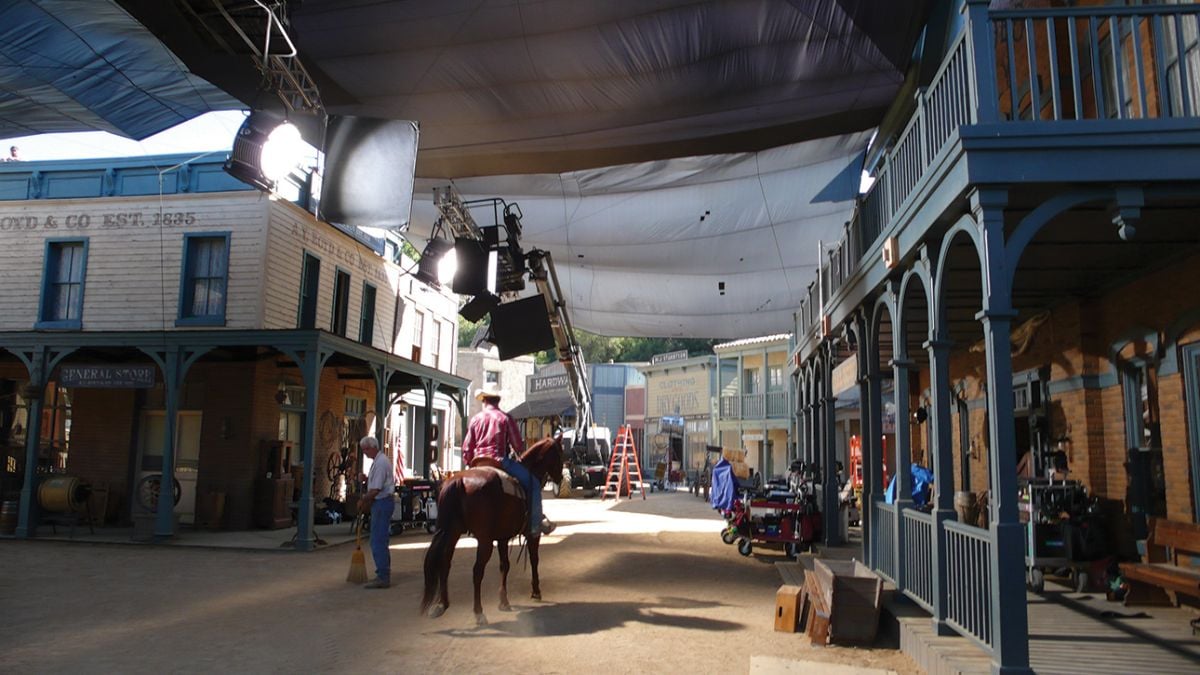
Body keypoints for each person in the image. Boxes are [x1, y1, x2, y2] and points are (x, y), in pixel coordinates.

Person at [462, 383, 555, 536]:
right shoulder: (505, 418)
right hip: (499, 461)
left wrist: (469, 463)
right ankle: (535, 526)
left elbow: (467, 448)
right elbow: (518, 445)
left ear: (484, 400)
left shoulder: (475, 419)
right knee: (534, 485)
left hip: (477, 462)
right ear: (498, 400)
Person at [357, 436, 396, 589]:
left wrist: (363, 500)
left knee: (377, 540)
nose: (365, 453)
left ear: (372, 447)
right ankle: (383, 572)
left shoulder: (380, 463)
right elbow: (377, 483)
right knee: (380, 539)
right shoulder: (379, 462)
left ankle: (383, 576)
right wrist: (366, 479)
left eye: (365, 450)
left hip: (381, 502)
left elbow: (376, 490)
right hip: (382, 502)